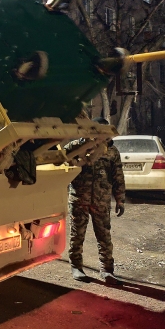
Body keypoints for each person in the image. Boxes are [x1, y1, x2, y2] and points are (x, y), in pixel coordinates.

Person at [66, 117, 126, 285]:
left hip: (101, 200)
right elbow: (61, 163)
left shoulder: (112, 151)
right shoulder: (77, 146)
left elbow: (118, 176)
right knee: (77, 235)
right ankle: (76, 267)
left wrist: (120, 199)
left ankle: (107, 270)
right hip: (79, 199)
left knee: (104, 236)